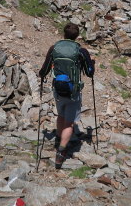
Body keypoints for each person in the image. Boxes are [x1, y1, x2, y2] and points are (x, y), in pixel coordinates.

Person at [38, 23, 95, 169]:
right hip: (73, 92)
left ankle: (58, 138)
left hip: (58, 89)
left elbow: (43, 70)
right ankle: (61, 152)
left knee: (61, 115)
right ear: (76, 36)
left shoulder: (54, 48)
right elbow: (89, 72)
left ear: (64, 34)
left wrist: (42, 76)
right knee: (70, 122)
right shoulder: (81, 51)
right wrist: (92, 63)